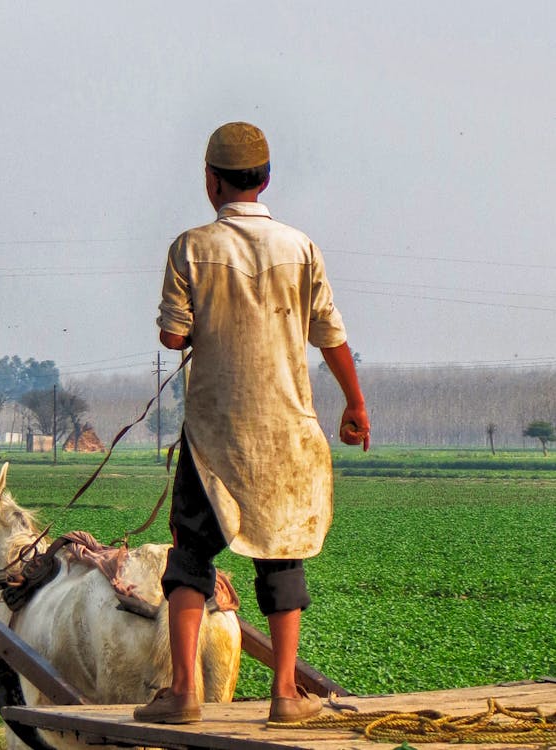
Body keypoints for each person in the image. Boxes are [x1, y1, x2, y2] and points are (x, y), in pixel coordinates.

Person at [134, 122, 370, 725]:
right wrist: (355, 403)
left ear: (211, 181)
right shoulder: (301, 247)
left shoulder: (190, 247)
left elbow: (173, 334)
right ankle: (286, 695)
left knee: (190, 557)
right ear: (265, 180)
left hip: (215, 438)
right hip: (287, 435)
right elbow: (331, 336)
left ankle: (184, 693)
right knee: (283, 555)